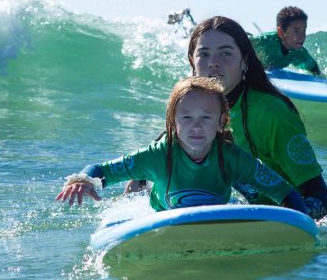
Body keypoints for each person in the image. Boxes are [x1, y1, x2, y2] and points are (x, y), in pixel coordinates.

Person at [56, 76, 309, 215]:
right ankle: (139, 181)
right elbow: (101, 169)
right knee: (136, 186)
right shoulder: (157, 155)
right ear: (172, 122)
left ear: (221, 122)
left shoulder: (231, 157)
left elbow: (285, 192)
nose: (196, 127)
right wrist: (82, 180)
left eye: (206, 118)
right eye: (186, 118)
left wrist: (304, 222)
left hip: (212, 207)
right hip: (160, 209)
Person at [187, 16, 327, 218]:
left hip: (289, 219)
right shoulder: (190, 112)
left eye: (225, 53)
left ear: (244, 61)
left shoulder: (272, 114)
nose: (213, 63)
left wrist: (289, 218)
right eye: (203, 54)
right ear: (192, 63)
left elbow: (321, 196)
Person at [249, 6, 321, 75]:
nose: (302, 36)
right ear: (281, 32)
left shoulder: (299, 52)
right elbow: (242, 41)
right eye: (296, 31)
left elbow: (313, 68)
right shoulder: (265, 41)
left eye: (304, 30)